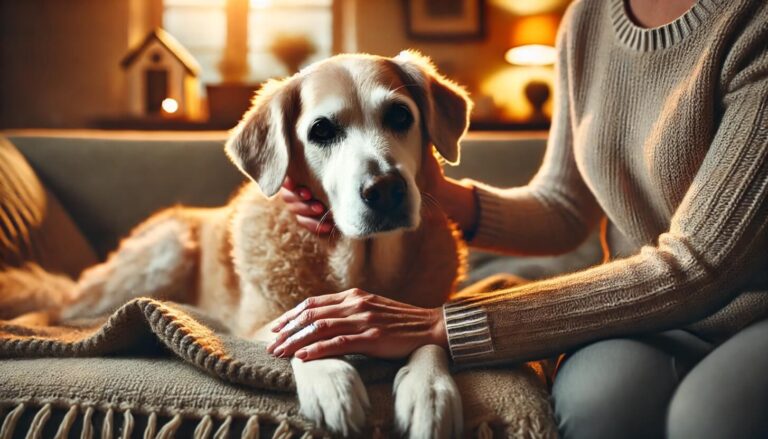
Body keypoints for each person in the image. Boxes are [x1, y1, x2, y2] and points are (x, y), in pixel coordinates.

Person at [267, 0, 768, 437]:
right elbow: (564, 208)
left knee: (708, 419)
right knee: (597, 407)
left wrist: (440, 327)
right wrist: (424, 189)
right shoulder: (588, 17)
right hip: (648, 314)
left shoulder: (752, 20)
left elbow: (701, 263)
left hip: (749, 308)